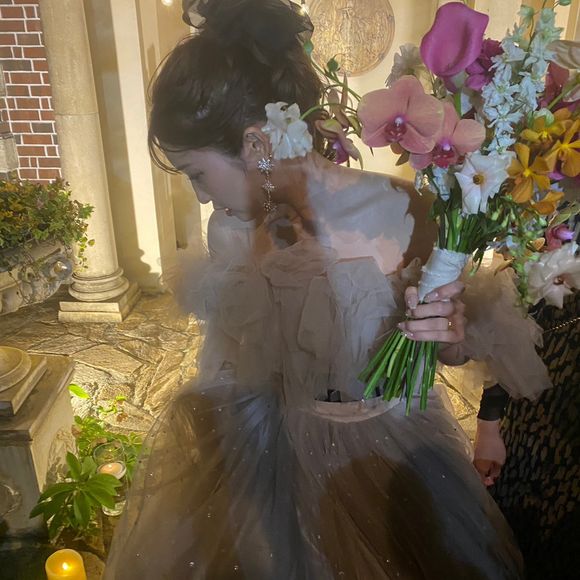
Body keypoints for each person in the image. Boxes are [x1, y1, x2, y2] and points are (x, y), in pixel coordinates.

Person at [104, 1, 550, 578]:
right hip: (272, 461)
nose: (202, 197)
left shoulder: (403, 211)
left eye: (197, 174)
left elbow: (445, 351)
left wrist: (448, 334)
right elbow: (236, 362)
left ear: (256, 145)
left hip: (391, 454)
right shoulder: (231, 231)